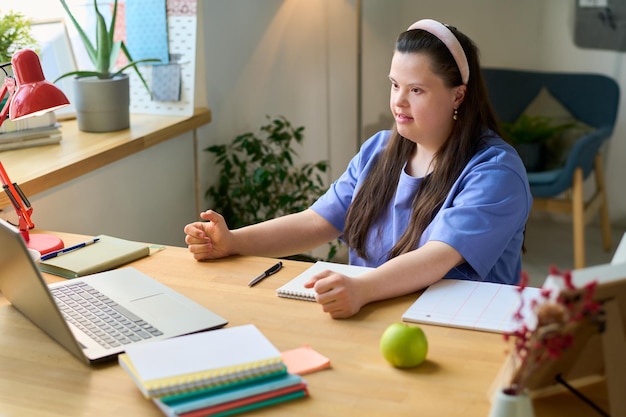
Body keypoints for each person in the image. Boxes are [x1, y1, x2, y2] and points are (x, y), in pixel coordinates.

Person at [184, 18, 532, 319]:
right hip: (378, 313)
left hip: (460, 333)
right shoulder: (380, 150)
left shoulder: (495, 172)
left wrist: (362, 288)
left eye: (416, 90)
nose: (399, 101)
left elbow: (436, 258)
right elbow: (317, 220)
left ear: (458, 96)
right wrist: (233, 241)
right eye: (395, 85)